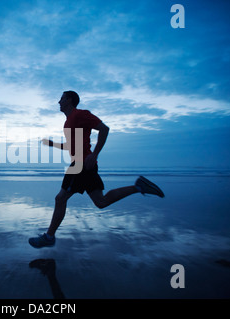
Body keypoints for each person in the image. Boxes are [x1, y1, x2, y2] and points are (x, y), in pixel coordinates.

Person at [29, 91, 165, 248]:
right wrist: (53, 144)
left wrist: (94, 154)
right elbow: (71, 146)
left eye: (61, 98)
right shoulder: (67, 123)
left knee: (60, 199)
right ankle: (139, 186)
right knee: (101, 202)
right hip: (84, 165)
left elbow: (104, 129)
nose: (58, 102)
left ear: (69, 100)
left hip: (81, 164)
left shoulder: (80, 114)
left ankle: (49, 237)